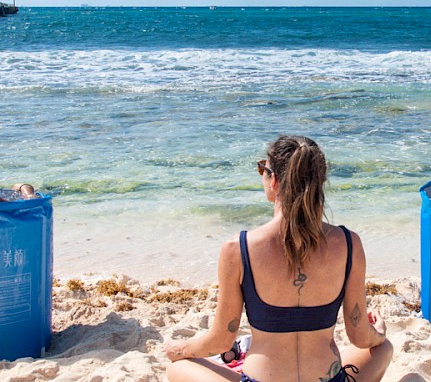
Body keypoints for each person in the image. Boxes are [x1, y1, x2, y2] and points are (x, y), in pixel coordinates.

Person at [164, 135, 393, 382]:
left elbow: (221, 340)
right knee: (384, 348)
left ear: (273, 179)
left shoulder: (238, 249)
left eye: (263, 168)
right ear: (320, 182)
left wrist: (180, 350)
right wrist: (378, 334)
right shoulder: (349, 244)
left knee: (177, 368)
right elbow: (359, 337)